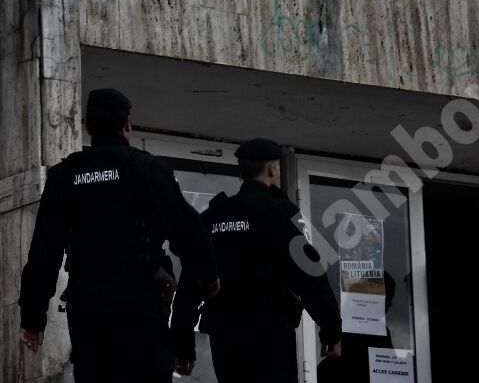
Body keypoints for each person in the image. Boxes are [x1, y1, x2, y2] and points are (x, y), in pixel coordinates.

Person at [18, 88, 219, 383]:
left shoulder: (65, 176)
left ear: (87, 125)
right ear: (127, 123)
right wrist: (208, 275)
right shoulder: (147, 169)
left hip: (87, 308)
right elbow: (187, 230)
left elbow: (44, 252)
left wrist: (33, 317)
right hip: (139, 305)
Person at [172, 138, 342, 382]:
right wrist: (331, 330)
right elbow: (310, 275)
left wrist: (183, 346)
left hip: (226, 338)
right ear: (272, 168)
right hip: (270, 335)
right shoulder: (279, 213)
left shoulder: (214, 217)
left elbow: (190, 283)